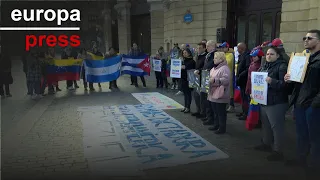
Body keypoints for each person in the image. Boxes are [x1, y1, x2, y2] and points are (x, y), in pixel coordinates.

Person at [284, 29, 320, 170]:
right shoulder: (304, 58)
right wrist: (289, 78)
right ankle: (301, 160)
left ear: (318, 41)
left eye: (309, 38)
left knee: (315, 137)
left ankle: (314, 166)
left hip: (313, 105)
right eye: (304, 38)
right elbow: (299, 81)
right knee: (301, 134)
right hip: (300, 102)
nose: (305, 40)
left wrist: (315, 104)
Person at [254, 46, 289, 161]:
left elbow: (285, 85)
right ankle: (266, 144)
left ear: (278, 55)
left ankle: (278, 151)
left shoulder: (282, 66)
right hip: (264, 100)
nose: (268, 56)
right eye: (267, 54)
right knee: (266, 125)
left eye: (272, 54)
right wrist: (254, 93)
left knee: (276, 127)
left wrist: (272, 81)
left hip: (276, 102)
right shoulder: (264, 66)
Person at [207, 52, 231, 134]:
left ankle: (222, 128)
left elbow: (226, 80)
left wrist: (215, 80)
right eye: (214, 58)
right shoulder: (214, 68)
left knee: (221, 112)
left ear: (221, 59)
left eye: (216, 58)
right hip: (213, 93)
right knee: (215, 111)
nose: (214, 59)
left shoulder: (224, 68)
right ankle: (216, 125)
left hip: (220, 94)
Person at [202, 40, 217, 125]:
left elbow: (212, 65)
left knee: (210, 100)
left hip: (211, 77)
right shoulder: (208, 54)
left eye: (208, 46)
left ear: (213, 46)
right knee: (206, 99)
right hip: (205, 76)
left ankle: (211, 118)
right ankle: (208, 116)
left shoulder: (215, 54)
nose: (206, 47)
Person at [192, 42, 208, 118]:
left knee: (202, 97)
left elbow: (206, 67)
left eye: (200, 48)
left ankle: (203, 112)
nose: (198, 49)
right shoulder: (197, 56)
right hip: (196, 78)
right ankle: (198, 110)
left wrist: (199, 70)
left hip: (203, 78)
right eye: (197, 48)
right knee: (196, 95)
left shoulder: (206, 56)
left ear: (204, 48)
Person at [236, 42, 251, 120]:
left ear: (242, 48)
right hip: (241, 80)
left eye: (238, 48)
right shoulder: (241, 55)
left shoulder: (247, 56)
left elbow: (247, 68)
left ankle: (246, 113)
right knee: (242, 97)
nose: (237, 50)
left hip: (244, 80)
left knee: (245, 98)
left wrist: (240, 75)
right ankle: (243, 111)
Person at [180, 48, 196, 113]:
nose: (184, 54)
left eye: (185, 53)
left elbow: (191, 69)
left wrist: (185, 67)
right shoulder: (183, 61)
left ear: (189, 53)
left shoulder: (192, 61)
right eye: (183, 53)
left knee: (188, 94)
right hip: (183, 78)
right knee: (185, 93)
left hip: (189, 79)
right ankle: (185, 106)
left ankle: (188, 107)